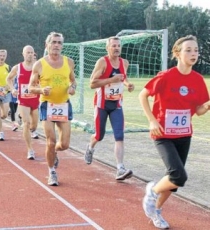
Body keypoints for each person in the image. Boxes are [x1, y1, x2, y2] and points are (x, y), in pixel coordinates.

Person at [139, 35, 210, 229]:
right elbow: (142, 95)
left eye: (196, 50)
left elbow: (198, 111)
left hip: (184, 134)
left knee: (174, 182)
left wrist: (207, 105)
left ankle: (156, 211)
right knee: (178, 175)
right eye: (188, 50)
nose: (193, 54)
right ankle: (152, 192)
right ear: (177, 53)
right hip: (163, 134)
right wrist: (152, 121)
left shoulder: (197, 80)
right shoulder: (166, 76)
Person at [28, 32, 77, 186]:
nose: (57, 45)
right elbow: (30, 87)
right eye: (54, 42)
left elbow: (73, 81)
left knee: (64, 144)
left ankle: (54, 152)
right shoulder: (39, 64)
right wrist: (41, 90)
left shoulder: (69, 62)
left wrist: (72, 88)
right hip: (47, 106)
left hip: (64, 105)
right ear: (47, 44)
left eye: (59, 43)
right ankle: (51, 172)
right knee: (50, 141)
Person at [84, 36, 135, 181]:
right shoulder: (102, 62)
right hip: (102, 105)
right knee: (99, 135)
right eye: (113, 46)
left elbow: (123, 78)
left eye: (118, 45)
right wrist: (111, 80)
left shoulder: (124, 62)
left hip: (117, 104)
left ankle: (120, 168)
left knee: (119, 136)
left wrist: (128, 84)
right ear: (108, 48)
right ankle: (90, 147)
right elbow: (92, 83)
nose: (117, 48)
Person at [7, 45, 40, 160]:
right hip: (23, 100)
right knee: (26, 123)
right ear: (23, 54)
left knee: (34, 126)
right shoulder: (18, 67)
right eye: (27, 52)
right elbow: (8, 78)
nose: (30, 54)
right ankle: (30, 149)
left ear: (34, 54)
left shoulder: (39, 67)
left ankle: (31, 131)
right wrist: (13, 89)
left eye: (31, 52)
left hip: (35, 99)